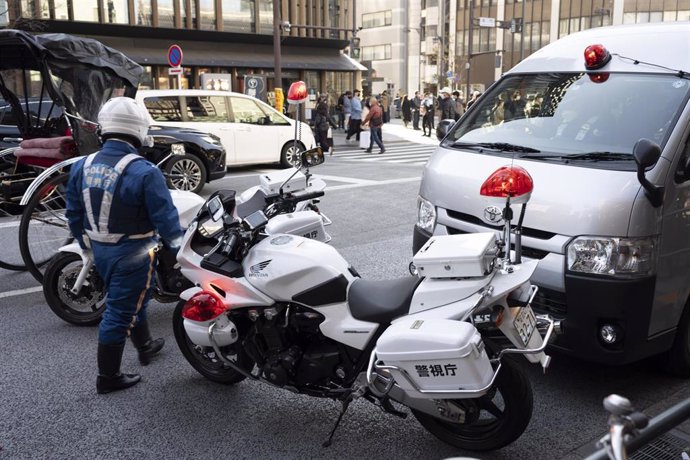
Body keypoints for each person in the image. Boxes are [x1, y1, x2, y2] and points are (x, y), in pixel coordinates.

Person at [65, 97, 183, 395]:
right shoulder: (145, 171)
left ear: (103, 129)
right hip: (135, 253)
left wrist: (84, 244)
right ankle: (108, 376)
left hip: (101, 251)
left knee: (133, 298)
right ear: (139, 131)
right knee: (119, 310)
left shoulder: (82, 165)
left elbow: (73, 213)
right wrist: (180, 251)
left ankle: (145, 345)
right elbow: (166, 218)